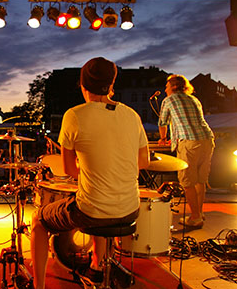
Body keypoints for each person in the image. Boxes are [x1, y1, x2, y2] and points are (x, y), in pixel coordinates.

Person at [30, 57, 150, 288]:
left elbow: (69, 170)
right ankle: (96, 266)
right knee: (99, 201)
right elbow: (143, 161)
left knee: (38, 221)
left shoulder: (74, 115)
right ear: (112, 84)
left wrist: (88, 167)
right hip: (130, 209)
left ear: (83, 85)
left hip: (92, 210)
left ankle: (39, 286)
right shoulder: (132, 115)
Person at [158, 74, 215, 228]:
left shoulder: (169, 100)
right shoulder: (194, 99)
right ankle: (199, 213)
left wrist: (163, 138)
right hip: (207, 139)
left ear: (174, 86)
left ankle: (195, 217)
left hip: (189, 141)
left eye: (167, 86)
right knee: (200, 180)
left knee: (187, 181)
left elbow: (163, 122)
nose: (165, 89)